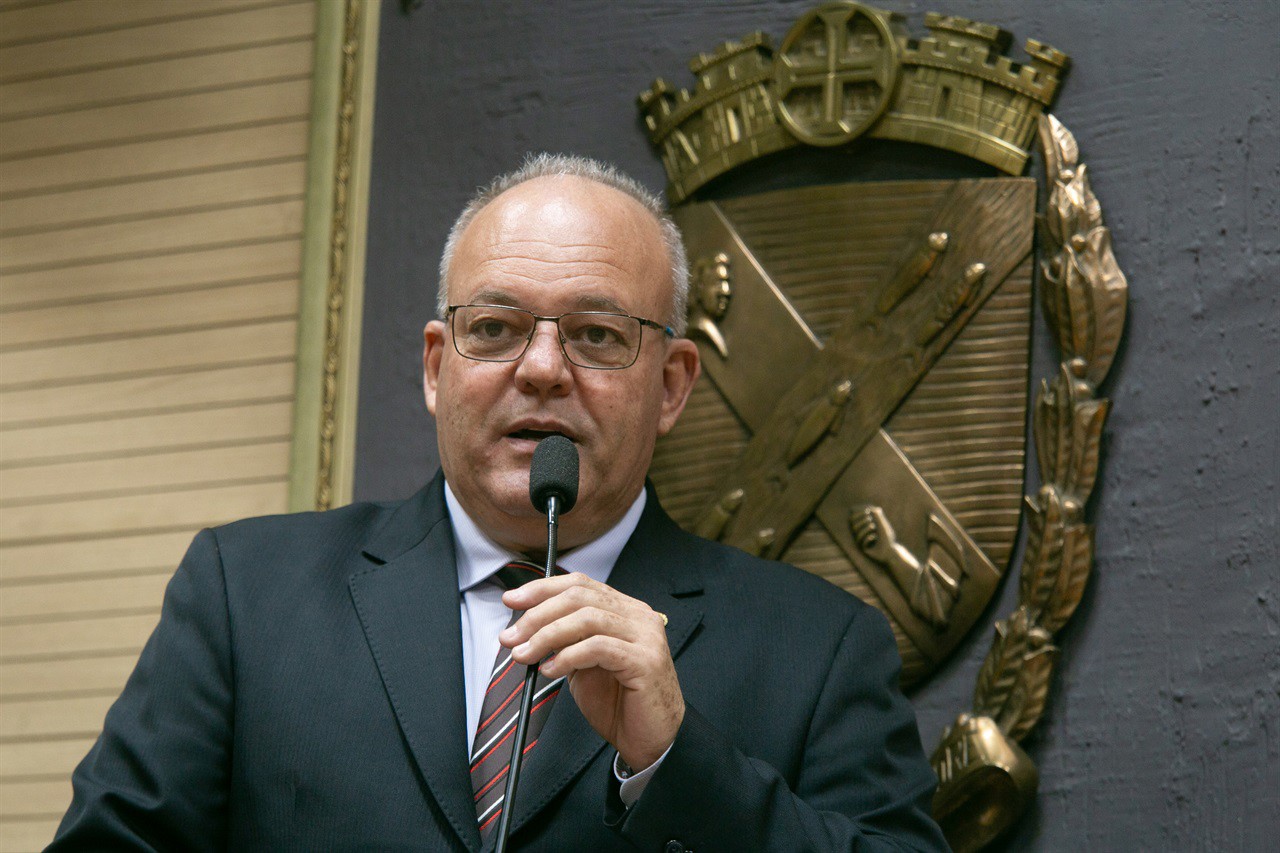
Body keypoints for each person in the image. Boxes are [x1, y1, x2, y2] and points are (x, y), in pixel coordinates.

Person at [50, 155, 948, 852]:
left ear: (671, 386)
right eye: (495, 327)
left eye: (598, 334)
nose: (544, 367)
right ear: (438, 368)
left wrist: (680, 764)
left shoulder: (821, 647)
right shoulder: (245, 594)